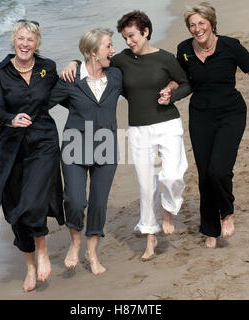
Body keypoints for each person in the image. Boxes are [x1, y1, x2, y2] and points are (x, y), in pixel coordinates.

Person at [62, 11, 191, 261]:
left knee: (173, 175)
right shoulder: (120, 61)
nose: (128, 41)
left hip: (167, 123)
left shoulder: (165, 58)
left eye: (131, 35)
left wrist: (171, 93)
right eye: (124, 37)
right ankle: (150, 237)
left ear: (146, 31)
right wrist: (73, 64)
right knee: (145, 185)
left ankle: (168, 209)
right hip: (138, 129)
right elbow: (93, 61)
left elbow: (185, 82)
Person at [176, 2, 249, 248]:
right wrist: (168, 91)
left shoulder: (230, 46)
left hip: (230, 114)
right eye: (192, 25)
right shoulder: (184, 50)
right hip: (200, 116)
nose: (197, 28)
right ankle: (210, 230)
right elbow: (180, 80)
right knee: (204, 174)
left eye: (201, 23)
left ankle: (227, 212)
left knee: (219, 170)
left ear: (211, 23)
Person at [0, 20, 64, 292]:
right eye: (21, 38)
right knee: (14, 208)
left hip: (44, 142)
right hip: (11, 147)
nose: (25, 44)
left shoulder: (47, 68)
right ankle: (29, 265)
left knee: (33, 200)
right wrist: (11, 119)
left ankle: (42, 248)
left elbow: (64, 90)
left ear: (37, 43)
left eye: (30, 39)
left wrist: (74, 62)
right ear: (13, 41)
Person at [48, 28, 122, 275]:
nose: (113, 50)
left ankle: (92, 254)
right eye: (108, 46)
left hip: (106, 146)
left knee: (99, 204)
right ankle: (75, 243)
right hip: (74, 145)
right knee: (75, 200)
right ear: (93, 51)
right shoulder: (71, 79)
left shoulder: (116, 75)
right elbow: (41, 102)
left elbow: (141, 63)